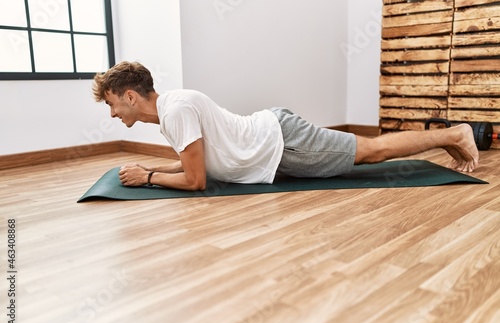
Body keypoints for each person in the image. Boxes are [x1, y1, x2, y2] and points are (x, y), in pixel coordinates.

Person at [92, 61, 479, 191]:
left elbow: (196, 181)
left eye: (111, 104)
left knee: (372, 151)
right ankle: (450, 135)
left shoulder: (175, 111)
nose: (112, 115)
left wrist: (147, 179)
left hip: (283, 144)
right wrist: (154, 169)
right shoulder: (172, 110)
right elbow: (197, 162)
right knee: (368, 150)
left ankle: (454, 133)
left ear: (129, 95)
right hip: (276, 137)